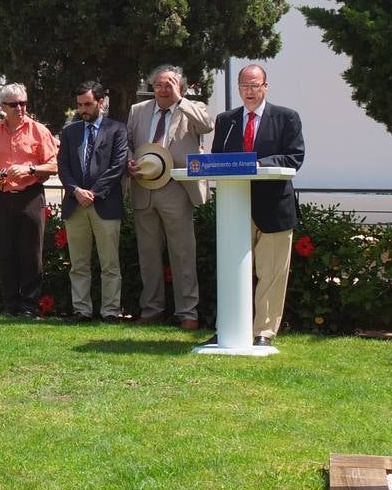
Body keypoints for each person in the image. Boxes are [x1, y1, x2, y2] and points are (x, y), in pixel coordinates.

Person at [211, 64, 305, 345]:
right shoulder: (225, 120)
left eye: (255, 85)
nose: (249, 91)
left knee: (271, 274)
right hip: (235, 207)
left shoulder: (287, 118)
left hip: (274, 207)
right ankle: (228, 328)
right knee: (232, 272)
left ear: (266, 86)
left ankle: (263, 332)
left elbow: (294, 157)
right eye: (244, 86)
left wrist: (258, 164)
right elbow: (218, 159)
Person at [126, 65, 213, 330]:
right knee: (148, 253)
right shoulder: (137, 111)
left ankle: (188, 311)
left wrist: (179, 100)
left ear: (180, 86)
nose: (163, 89)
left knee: (183, 252)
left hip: (176, 187)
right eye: (159, 85)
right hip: (144, 185)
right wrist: (129, 160)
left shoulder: (192, 108)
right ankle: (152, 309)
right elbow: (127, 142)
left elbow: (207, 126)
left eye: (170, 84)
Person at [0, 82, 59, 317]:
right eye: (14, 104)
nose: (20, 108)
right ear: (3, 107)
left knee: (31, 253)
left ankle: (29, 306)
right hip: (3, 196)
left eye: (23, 103)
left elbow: (53, 165)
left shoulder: (39, 131)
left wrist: (30, 170)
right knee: (6, 252)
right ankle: (10, 304)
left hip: (30, 196)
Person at [57, 81, 129, 322]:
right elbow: (63, 166)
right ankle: (82, 310)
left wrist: (93, 193)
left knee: (110, 263)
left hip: (105, 205)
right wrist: (77, 191)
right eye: (79, 105)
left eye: (88, 104)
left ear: (101, 102)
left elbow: (118, 166)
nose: (83, 110)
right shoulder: (70, 132)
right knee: (78, 263)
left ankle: (110, 311)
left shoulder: (117, 130)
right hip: (75, 205)